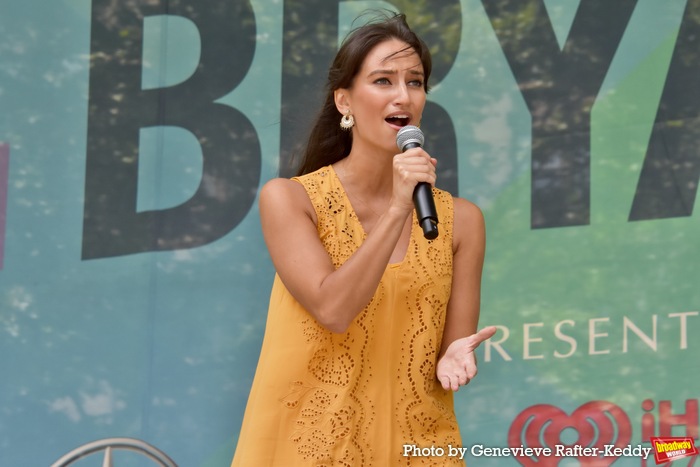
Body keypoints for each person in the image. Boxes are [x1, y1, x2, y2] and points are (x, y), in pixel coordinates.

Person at [231, 11, 496, 466]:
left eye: (415, 82)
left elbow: (451, 346)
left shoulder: (462, 221)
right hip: (313, 448)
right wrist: (398, 207)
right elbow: (332, 309)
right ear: (344, 101)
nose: (403, 95)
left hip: (418, 446)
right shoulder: (291, 200)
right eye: (383, 80)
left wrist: (454, 358)